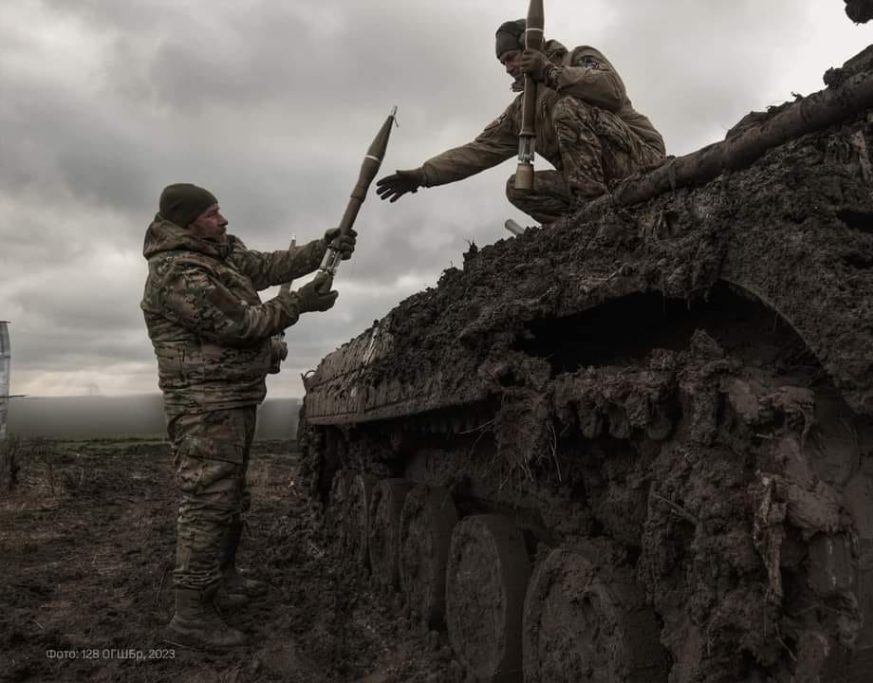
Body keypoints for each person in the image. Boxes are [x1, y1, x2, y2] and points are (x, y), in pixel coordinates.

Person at [140, 183, 354, 649]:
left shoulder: (218, 252)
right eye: (213, 213)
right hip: (203, 405)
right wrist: (300, 303)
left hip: (233, 398)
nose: (224, 219)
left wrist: (325, 248)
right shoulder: (177, 273)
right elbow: (242, 323)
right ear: (187, 221)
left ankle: (222, 577)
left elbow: (267, 266)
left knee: (232, 495)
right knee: (207, 501)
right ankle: (190, 615)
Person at [376, 19, 666, 224]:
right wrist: (424, 175)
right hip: (591, 182)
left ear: (531, 47)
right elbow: (479, 150)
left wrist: (550, 73)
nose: (508, 68)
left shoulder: (578, 58)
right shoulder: (521, 111)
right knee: (518, 187)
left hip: (640, 159)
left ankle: (596, 212)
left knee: (566, 108)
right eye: (503, 63)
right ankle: (578, 223)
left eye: (512, 57)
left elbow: (612, 91)